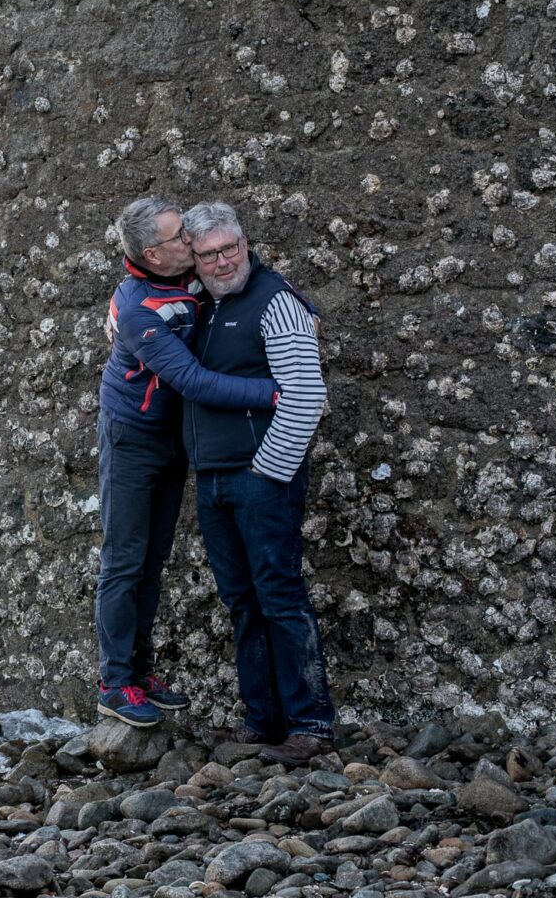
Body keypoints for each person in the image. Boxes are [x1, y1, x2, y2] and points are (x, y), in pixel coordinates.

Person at [95, 197, 281, 729]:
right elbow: (193, 381)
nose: (192, 242)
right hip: (131, 438)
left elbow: (241, 266)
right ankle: (114, 683)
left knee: (152, 563)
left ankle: (139, 671)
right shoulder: (136, 310)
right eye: (180, 238)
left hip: (173, 438)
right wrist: (273, 394)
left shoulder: (186, 276)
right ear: (154, 255)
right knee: (124, 561)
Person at [179, 200, 336, 765]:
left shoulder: (277, 302)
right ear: (192, 260)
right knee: (243, 602)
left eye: (232, 248)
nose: (224, 261)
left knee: (280, 597)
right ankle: (262, 720)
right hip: (213, 479)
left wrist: (268, 471)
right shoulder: (198, 305)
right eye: (210, 254)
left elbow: (306, 396)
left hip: (261, 477)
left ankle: (311, 724)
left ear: (245, 243)